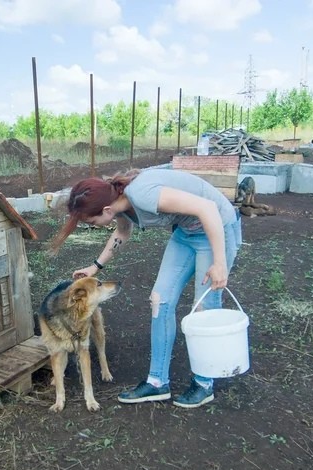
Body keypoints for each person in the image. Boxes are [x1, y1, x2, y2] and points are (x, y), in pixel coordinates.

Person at [49, 167, 242, 408]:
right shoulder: (118, 203)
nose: (93, 226)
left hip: (217, 228)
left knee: (204, 306)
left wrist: (219, 263)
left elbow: (208, 208)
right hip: (186, 233)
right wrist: (95, 267)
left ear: (106, 210)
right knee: (159, 300)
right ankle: (157, 381)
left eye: (92, 221)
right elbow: (122, 231)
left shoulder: (142, 194)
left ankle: (204, 385)